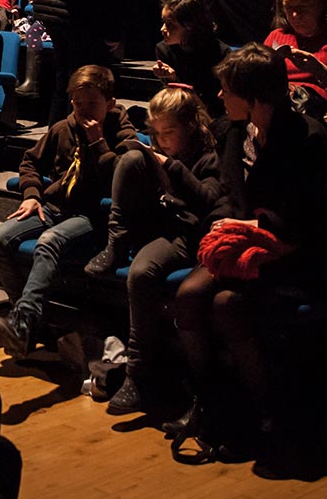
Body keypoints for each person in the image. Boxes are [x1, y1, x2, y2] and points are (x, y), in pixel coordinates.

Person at [167, 44, 327, 459]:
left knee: (227, 304)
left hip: (305, 252)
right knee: (186, 297)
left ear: (256, 96)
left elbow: (321, 220)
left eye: (226, 90)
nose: (219, 97)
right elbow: (227, 195)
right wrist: (230, 225)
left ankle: (267, 413)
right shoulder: (232, 131)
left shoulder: (311, 141)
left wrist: (253, 226)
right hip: (252, 244)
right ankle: (210, 405)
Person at [0, 64, 138, 357]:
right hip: (55, 207)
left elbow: (123, 179)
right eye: (78, 104)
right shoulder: (62, 128)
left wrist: (99, 144)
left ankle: (22, 322)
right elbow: (29, 163)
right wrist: (32, 194)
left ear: (110, 103)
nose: (83, 111)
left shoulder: (123, 132)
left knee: (48, 242)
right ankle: (28, 323)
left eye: (92, 104)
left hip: (94, 216)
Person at [102, 86, 223, 414]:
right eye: (155, 132)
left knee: (142, 273)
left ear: (191, 126)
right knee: (128, 159)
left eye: (169, 132)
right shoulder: (158, 148)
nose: (161, 139)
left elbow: (208, 201)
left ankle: (138, 374)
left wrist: (169, 167)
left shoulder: (210, 155)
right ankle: (116, 239)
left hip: (191, 235)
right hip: (159, 226)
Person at [152, 0, 228, 117]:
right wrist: (172, 78)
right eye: (163, 22)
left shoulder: (220, 53)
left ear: (190, 26)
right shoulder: (164, 50)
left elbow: (218, 102)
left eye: (170, 24)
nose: (162, 29)